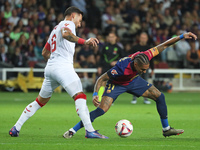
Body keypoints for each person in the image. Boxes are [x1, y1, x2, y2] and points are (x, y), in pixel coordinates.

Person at [63, 32, 197, 138]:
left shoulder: (146, 55)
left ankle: (166, 129)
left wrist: (181, 36)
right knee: (101, 110)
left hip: (133, 81)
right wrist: (95, 94)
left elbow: (164, 45)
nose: (145, 71)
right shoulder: (121, 67)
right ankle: (73, 130)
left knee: (160, 96)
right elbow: (101, 79)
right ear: (136, 65)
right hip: (116, 84)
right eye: (143, 69)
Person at [9, 6, 108, 139]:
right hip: (63, 67)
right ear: (73, 15)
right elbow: (66, 34)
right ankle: (89, 130)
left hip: (50, 69)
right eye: (79, 19)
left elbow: (45, 52)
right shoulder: (68, 24)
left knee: (40, 101)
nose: (79, 23)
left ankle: (16, 128)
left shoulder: (55, 28)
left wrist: (55, 62)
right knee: (80, 96)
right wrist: (85, 41)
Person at [130, 32, 154, 104]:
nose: (143, 39)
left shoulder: (149, 48)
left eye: (145, 38)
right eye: (142, 38)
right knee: (135, 82)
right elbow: (130, 58)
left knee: (145, 83)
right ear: (140, 39)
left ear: (147, 39)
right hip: (136, 69)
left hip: (146, 69)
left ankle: (145, 99)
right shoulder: (135, 47)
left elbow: (152, 59)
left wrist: (152, 69)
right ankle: (134, 98)